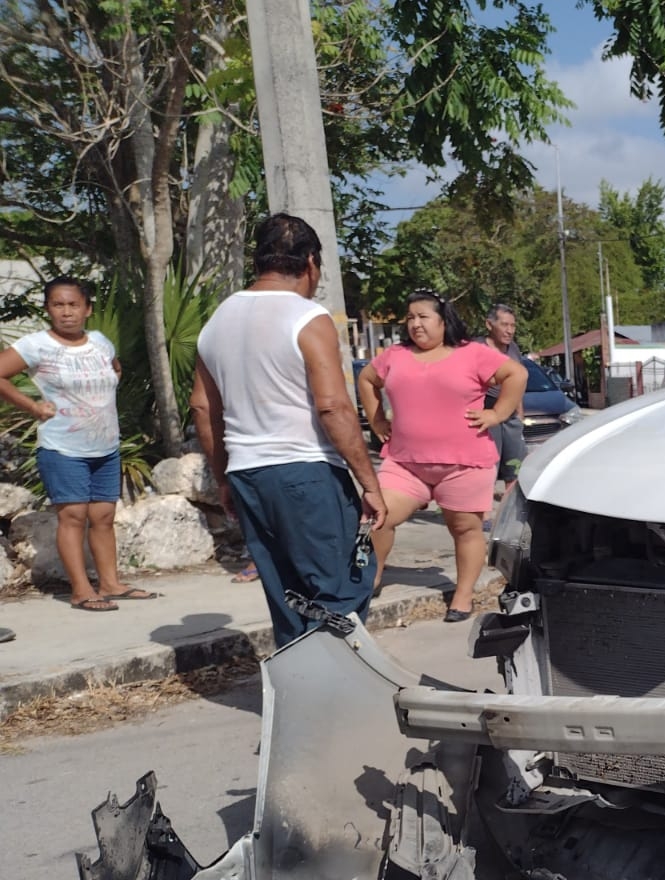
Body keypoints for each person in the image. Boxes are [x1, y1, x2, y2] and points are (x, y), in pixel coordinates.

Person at [189, 213, 387, 648]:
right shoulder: (307, 317)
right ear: (311, 263)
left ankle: (299, 700)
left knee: (288, 595)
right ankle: (335, 699)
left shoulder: (218, 319)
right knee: (340, 588)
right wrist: (368, 482)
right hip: (306, 472)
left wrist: (223, 477)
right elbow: (333, 406)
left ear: (258, 261)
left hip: (248, 475)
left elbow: (203, 407)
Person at [358, 290, 525, 622]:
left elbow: (516, 375)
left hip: (464, 464)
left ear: (442, 319)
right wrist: (376, 418)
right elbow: (366, 379)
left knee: (464, 528)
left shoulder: (471, 353)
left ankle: (463, 597)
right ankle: (372, 578)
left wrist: (497, 414)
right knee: (377, 515)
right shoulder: (395, 355)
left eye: (423, 317)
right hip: (405, 463)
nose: (415, 324)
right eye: (410, 318)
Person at [0, 277, 156, 611]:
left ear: (87, 309)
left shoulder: (100, 341)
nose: (66, 312)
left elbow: (114, 370)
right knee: (73, 516)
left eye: (73, 305)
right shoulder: (36, 345)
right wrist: (32, 407)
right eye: (58, 305)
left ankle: (110, 582)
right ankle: (81, 590)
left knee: (103, 516)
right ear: (48, 309)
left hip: (105, 446)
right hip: (62, 447)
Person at [475, 302, 526, 482]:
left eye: (513, 326)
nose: (510, 331)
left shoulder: (513, 349)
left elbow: (517, 383)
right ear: (489, 324)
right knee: (487, 468)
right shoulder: (475, 348)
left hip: (510, 416)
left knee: (516, 466)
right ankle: (483, 508)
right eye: (504, 325)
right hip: (486, 414)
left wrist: (520, 415)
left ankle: (510, 507)